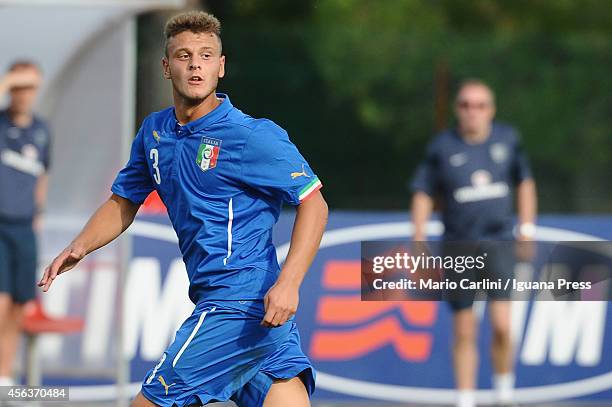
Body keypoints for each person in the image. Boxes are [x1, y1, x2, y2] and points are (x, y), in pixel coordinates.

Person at [39, 11, 328, 407]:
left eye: (207, 55)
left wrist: (290, 283)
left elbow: (314, 203)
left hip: (237, 303)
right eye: (184, 55)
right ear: (166, 66)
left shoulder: (250, 135)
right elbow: (124, 200)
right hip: (248, 311)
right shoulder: (155, 132)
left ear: (220, 66)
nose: (196, 64)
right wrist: (80, 246)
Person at [410, 79, 537, 407]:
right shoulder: (442, 146)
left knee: (502, 326)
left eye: (480, 105)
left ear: (491, 110)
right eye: (466, 105)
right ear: (457, 109)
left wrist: (527, 228)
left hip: (499, 241)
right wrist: (418, 235)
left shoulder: (507, 140)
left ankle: (504, 393)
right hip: (458, 245)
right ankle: (465, 399)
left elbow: (525, 183)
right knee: (465, 328)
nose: (473, 112)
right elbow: (424, 190)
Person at [0, 61, 50, 386]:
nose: (23, 94)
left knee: (20, 302)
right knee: (1, 299)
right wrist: (9, 80)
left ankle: (3, 374)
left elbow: (44, 172)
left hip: (25, 227)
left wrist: (39, 213)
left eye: (29, 87)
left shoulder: (42, 130)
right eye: (18, 87)